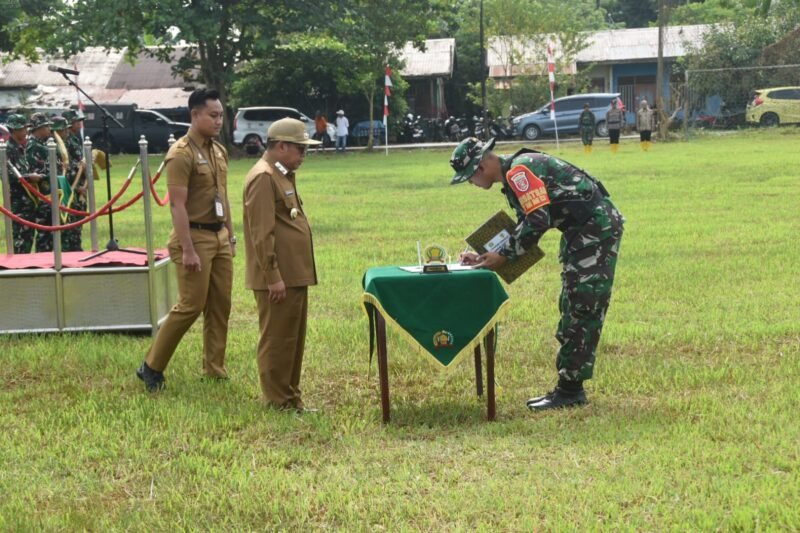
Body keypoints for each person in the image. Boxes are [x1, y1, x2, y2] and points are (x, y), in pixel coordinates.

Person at [450, 137, 624, 411]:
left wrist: (505, 255)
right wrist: (484, 253)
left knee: (583, 304)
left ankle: (570, 392)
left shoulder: (519, 171)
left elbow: (537, 219)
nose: (471, 183)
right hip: (579, 231)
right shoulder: (513, 175)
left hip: (594, 230)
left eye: (469, 177)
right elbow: (526, 223)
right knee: (572, 303)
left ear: (481, 166)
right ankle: (569, 387)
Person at [136, 88, 235, 392]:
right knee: (191, 305)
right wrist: (188, 250)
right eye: (213, 115)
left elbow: (224, 196)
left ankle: (214, 368)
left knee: (221, 304)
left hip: (218, 237)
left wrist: (230, 234)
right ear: (195, 115)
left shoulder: (217, 150)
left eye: (221, 115)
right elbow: (177, 205)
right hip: (193, 238)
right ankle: (151, 366)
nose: (219, 121)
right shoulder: (181, 154)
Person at [243, 118, 320, 412]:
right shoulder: (263, 177)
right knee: (277, 338)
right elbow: (261, 233)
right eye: (300, 149)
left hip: (293, 273)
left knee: (292, 339)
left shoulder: (282, 174)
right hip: (278, 277)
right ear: (281, 146)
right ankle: (278, 401)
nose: (303, 155)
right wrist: (272, 275)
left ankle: (290, 397)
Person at [4, 114, 42, 253]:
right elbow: (7, 175)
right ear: (14, 130)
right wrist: (29, 177)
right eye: (23, 128)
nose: (26, 131)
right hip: (18, 202)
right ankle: (18, 271)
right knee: (21, 239)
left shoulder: (20, 148)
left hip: (28, 201)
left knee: (28, 237)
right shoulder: (7, 149)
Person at [25, 113, 55, 252]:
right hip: (42, 192)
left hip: (49, 191)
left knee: (51, 231)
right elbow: (37, 170)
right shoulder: (33, 146)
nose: (49, 129)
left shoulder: (41, 144)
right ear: (39, 128)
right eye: (46, 126)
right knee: (44, 231)